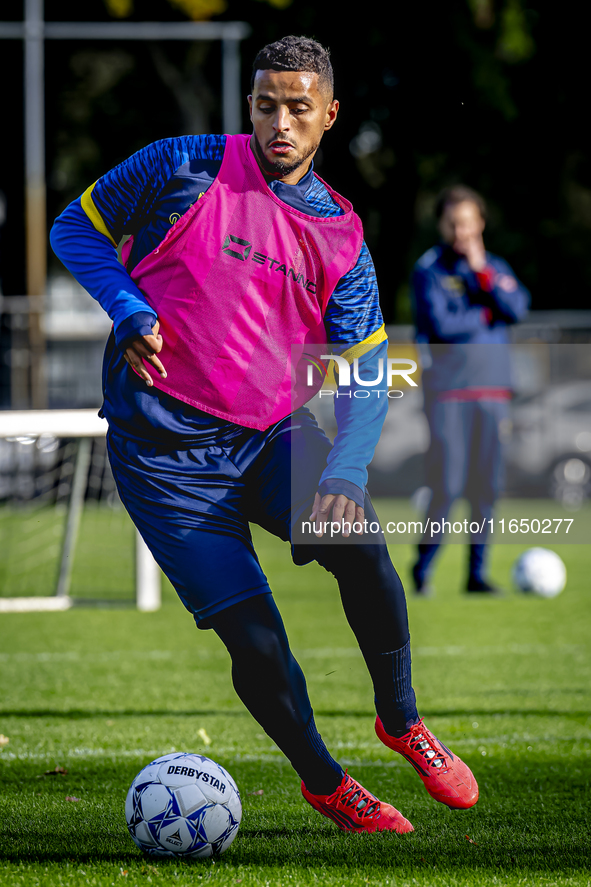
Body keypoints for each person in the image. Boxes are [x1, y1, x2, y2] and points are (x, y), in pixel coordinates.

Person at [51, 36, 478, 835]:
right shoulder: (180, 165)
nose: (279, 123)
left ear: (329, 117)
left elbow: (363, 370)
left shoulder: (342, 236)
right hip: (162, 461)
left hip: (269, 439)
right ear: (249, 104)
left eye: (298, 108)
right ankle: (328, 783)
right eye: (265, 105)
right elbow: (75, 228)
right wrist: (128, 306)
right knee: (256, 640)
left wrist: (345, 475)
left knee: (362, 547)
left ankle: (402, 720)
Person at [411, 185, 530, 595]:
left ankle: (476, 575)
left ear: (479, 223)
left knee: (487, 489)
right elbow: (442, 328)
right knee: (448, 486)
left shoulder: (494, 267)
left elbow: (516, 308)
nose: (460, 230)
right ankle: (423, 567)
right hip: (448, 395)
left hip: (494, 394)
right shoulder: (429, 270)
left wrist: (483, 277)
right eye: (452, 223)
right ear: (443, 225)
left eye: (467, 222)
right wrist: (485, 313)